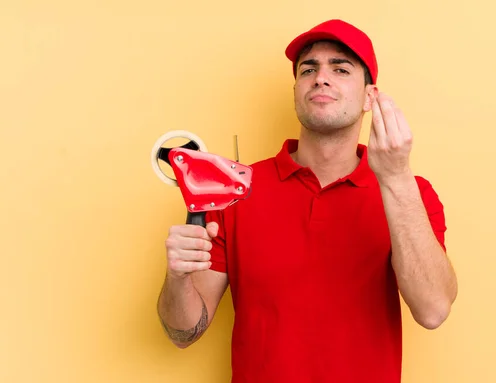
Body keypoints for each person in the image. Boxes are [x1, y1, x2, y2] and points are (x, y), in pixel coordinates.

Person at [157, 19, 458, 383]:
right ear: (297, 89)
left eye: (341, 68)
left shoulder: (412, 192)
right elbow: (184, 333)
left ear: (369, 97)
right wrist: (177, 277)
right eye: (309, 69)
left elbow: (433, 311)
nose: (321, 77)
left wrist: (395, 177)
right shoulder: (233, 192)